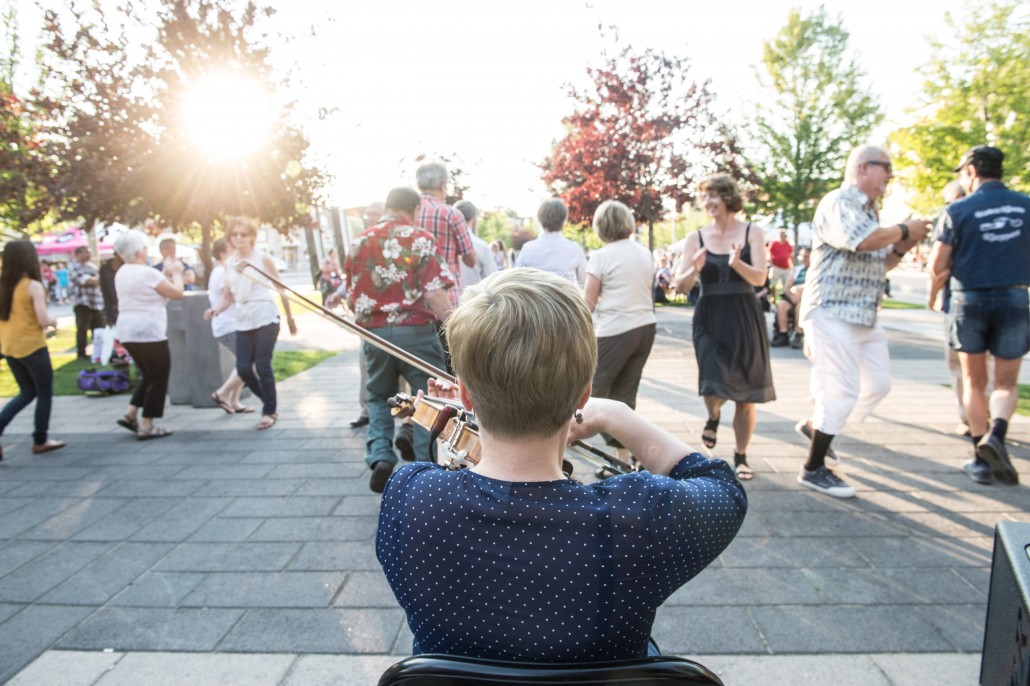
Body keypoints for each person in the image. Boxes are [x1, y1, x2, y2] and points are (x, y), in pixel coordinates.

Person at [376, 268, 747, 661]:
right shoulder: (638, 517)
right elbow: (721, 485)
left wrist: (462, 432)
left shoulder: (410, 499)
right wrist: (614, 414)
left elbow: (453, 492)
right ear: (584, 394)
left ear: (465, 394)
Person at [795, 145, 930, 497]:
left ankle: (817, 426)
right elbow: (862, 242)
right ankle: (813, 468)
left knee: (879, 385)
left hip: (864, 314)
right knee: (841, 391)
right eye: (886, 168)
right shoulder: (840, 201)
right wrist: (903, 228)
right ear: (864, 167)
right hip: (832, 309)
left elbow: (881, 262)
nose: (889, 176)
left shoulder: (871, 211)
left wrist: (903, 243)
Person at [930, 146, 1029, 486]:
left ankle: (980, 458)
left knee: (974, 382)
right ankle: (997, 435)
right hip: (1015, 297)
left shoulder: (957, 210)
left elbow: (937, 265)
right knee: (1005, 382)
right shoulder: (1025, 205)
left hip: (969, 300)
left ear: (971, 172)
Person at [344, 187, 454, 493]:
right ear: (415, 210)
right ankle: (424, 470)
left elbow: (353, 297)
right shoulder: (419, 239)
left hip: (374, 333)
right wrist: (456, 328)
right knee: (426, 401)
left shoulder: (359, 241)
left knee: (379, 396)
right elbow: (434, 292)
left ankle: (380, 454)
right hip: (416, 331)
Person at [672, 173, 775, 481]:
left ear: (729, 197)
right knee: (712, 379)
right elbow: (680, 285)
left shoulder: (752, 232)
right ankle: (714, 415)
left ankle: (741, 456)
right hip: (709, 317)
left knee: (746, 395)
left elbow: (760, 278)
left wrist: (737, 264)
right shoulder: (696, 238)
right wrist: (695, 268)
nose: (707, 202)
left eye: (713, 195)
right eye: (704, 197)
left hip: (744, 317)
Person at [205, 217, 296, 431]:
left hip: (265, 315)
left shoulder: (262, 258)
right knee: (244, 368)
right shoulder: (229, 263)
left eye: (243, 234)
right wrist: (215, 310)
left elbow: (281, 288)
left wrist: (290, 317)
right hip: (244, 318)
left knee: (263, 365)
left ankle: (269, 411)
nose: (238, 238)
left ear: (252, 237)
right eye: (234, 234)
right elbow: (227, 296)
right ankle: (269, 401)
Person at [583, 200, 657, 453]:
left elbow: (587, 304)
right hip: (646, 327)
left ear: (600, 225)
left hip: (616, 330)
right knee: (625, 394)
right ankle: (625, 458)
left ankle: (557, 450)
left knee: (588, 391)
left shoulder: (601, 256)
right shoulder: (644, 252)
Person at [927, 181, 992, 436]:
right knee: (991, 367)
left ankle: (973, 421)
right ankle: (990, 420)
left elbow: (938, 269)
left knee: (962, 368)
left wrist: (932, 297)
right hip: (999, 300)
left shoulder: (954, 217)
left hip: (961, 302)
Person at [112, 229, 185, 440]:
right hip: (149, 331)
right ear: (137, 252)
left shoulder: (123, 272)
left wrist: (165, 271)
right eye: (144, 248)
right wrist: (177, 273)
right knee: (159, 377)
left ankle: (130, 414)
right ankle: (147, 424)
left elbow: (153, 285)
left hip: (127, 331)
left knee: (148, 374)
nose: (146, 251)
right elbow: (176, 293)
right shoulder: (147, 273)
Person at [0, 241, 66, 460]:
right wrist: (54, 321)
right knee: (44, 391)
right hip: (32, 347)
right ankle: (40, 440)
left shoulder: (2, 285)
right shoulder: (32, 286)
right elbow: (42, 320)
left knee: (28, 392)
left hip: (9, 347)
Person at [415, 162, 475, 309]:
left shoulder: (409, 213)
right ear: (442, 184)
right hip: (448, 300)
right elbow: (470, 260)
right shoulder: (451, 214)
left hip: (416, 303)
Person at [207, 238, 251, 415]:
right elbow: (230, 295)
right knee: (249, 363)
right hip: (229, 325)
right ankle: (222, 394)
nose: (236, 251)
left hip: (230, 324)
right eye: (231, 249)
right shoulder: (222, 272)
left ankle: (234, 401)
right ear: (222, 254)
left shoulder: (221, 270)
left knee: (243, 363)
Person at [516, 198, 588, 285]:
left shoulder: (528, 249)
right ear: (564, 220)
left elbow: (517, 281)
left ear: (539, 219)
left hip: (536, 297)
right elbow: (584, 282)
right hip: (565, 297)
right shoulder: (574, 248)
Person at [68, 246, 105, 361]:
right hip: (82, 302)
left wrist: (95, 280)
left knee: (98, 328)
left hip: (96, 302)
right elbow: (85, 281)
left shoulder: (92, 267)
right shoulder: (73, 266)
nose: (89, 254)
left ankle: (98, 353)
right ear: (78, 254)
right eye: (86, 252)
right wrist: (96, 279)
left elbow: (98, 280)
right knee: (82, 329)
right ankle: (81, 354)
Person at [771, 247, 811, 348]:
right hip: (793, 296)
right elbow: (786, 288)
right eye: (802, 256)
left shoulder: (815, 270)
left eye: (806, 256)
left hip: (807, 298)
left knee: (801, 306)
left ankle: (799, 334)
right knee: (782, 305)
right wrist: (792, 297)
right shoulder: (797, 270)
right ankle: (783, 334)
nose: (803, 258)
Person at [454, 200, 497, 288]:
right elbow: (492, 278)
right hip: (473, 298)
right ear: (474, 219)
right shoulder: (481, 245)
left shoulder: (445, 243)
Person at [767, 229, 794, 301]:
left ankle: (785, 299)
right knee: (773, 284)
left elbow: (790, 255)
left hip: (786, 268)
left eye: (784, 235)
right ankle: (773, 298)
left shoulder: (788, 244)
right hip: (776, 267)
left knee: (786, 285)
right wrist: (772, 263)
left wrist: (792, 266)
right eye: (781, 235)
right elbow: (769, 253)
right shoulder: (774, 243)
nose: (783, 237)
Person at [98, 254, 122, 328]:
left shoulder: (130, 267)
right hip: (114, 309)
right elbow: (105, 294)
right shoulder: (105, 269)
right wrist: (109, 317)